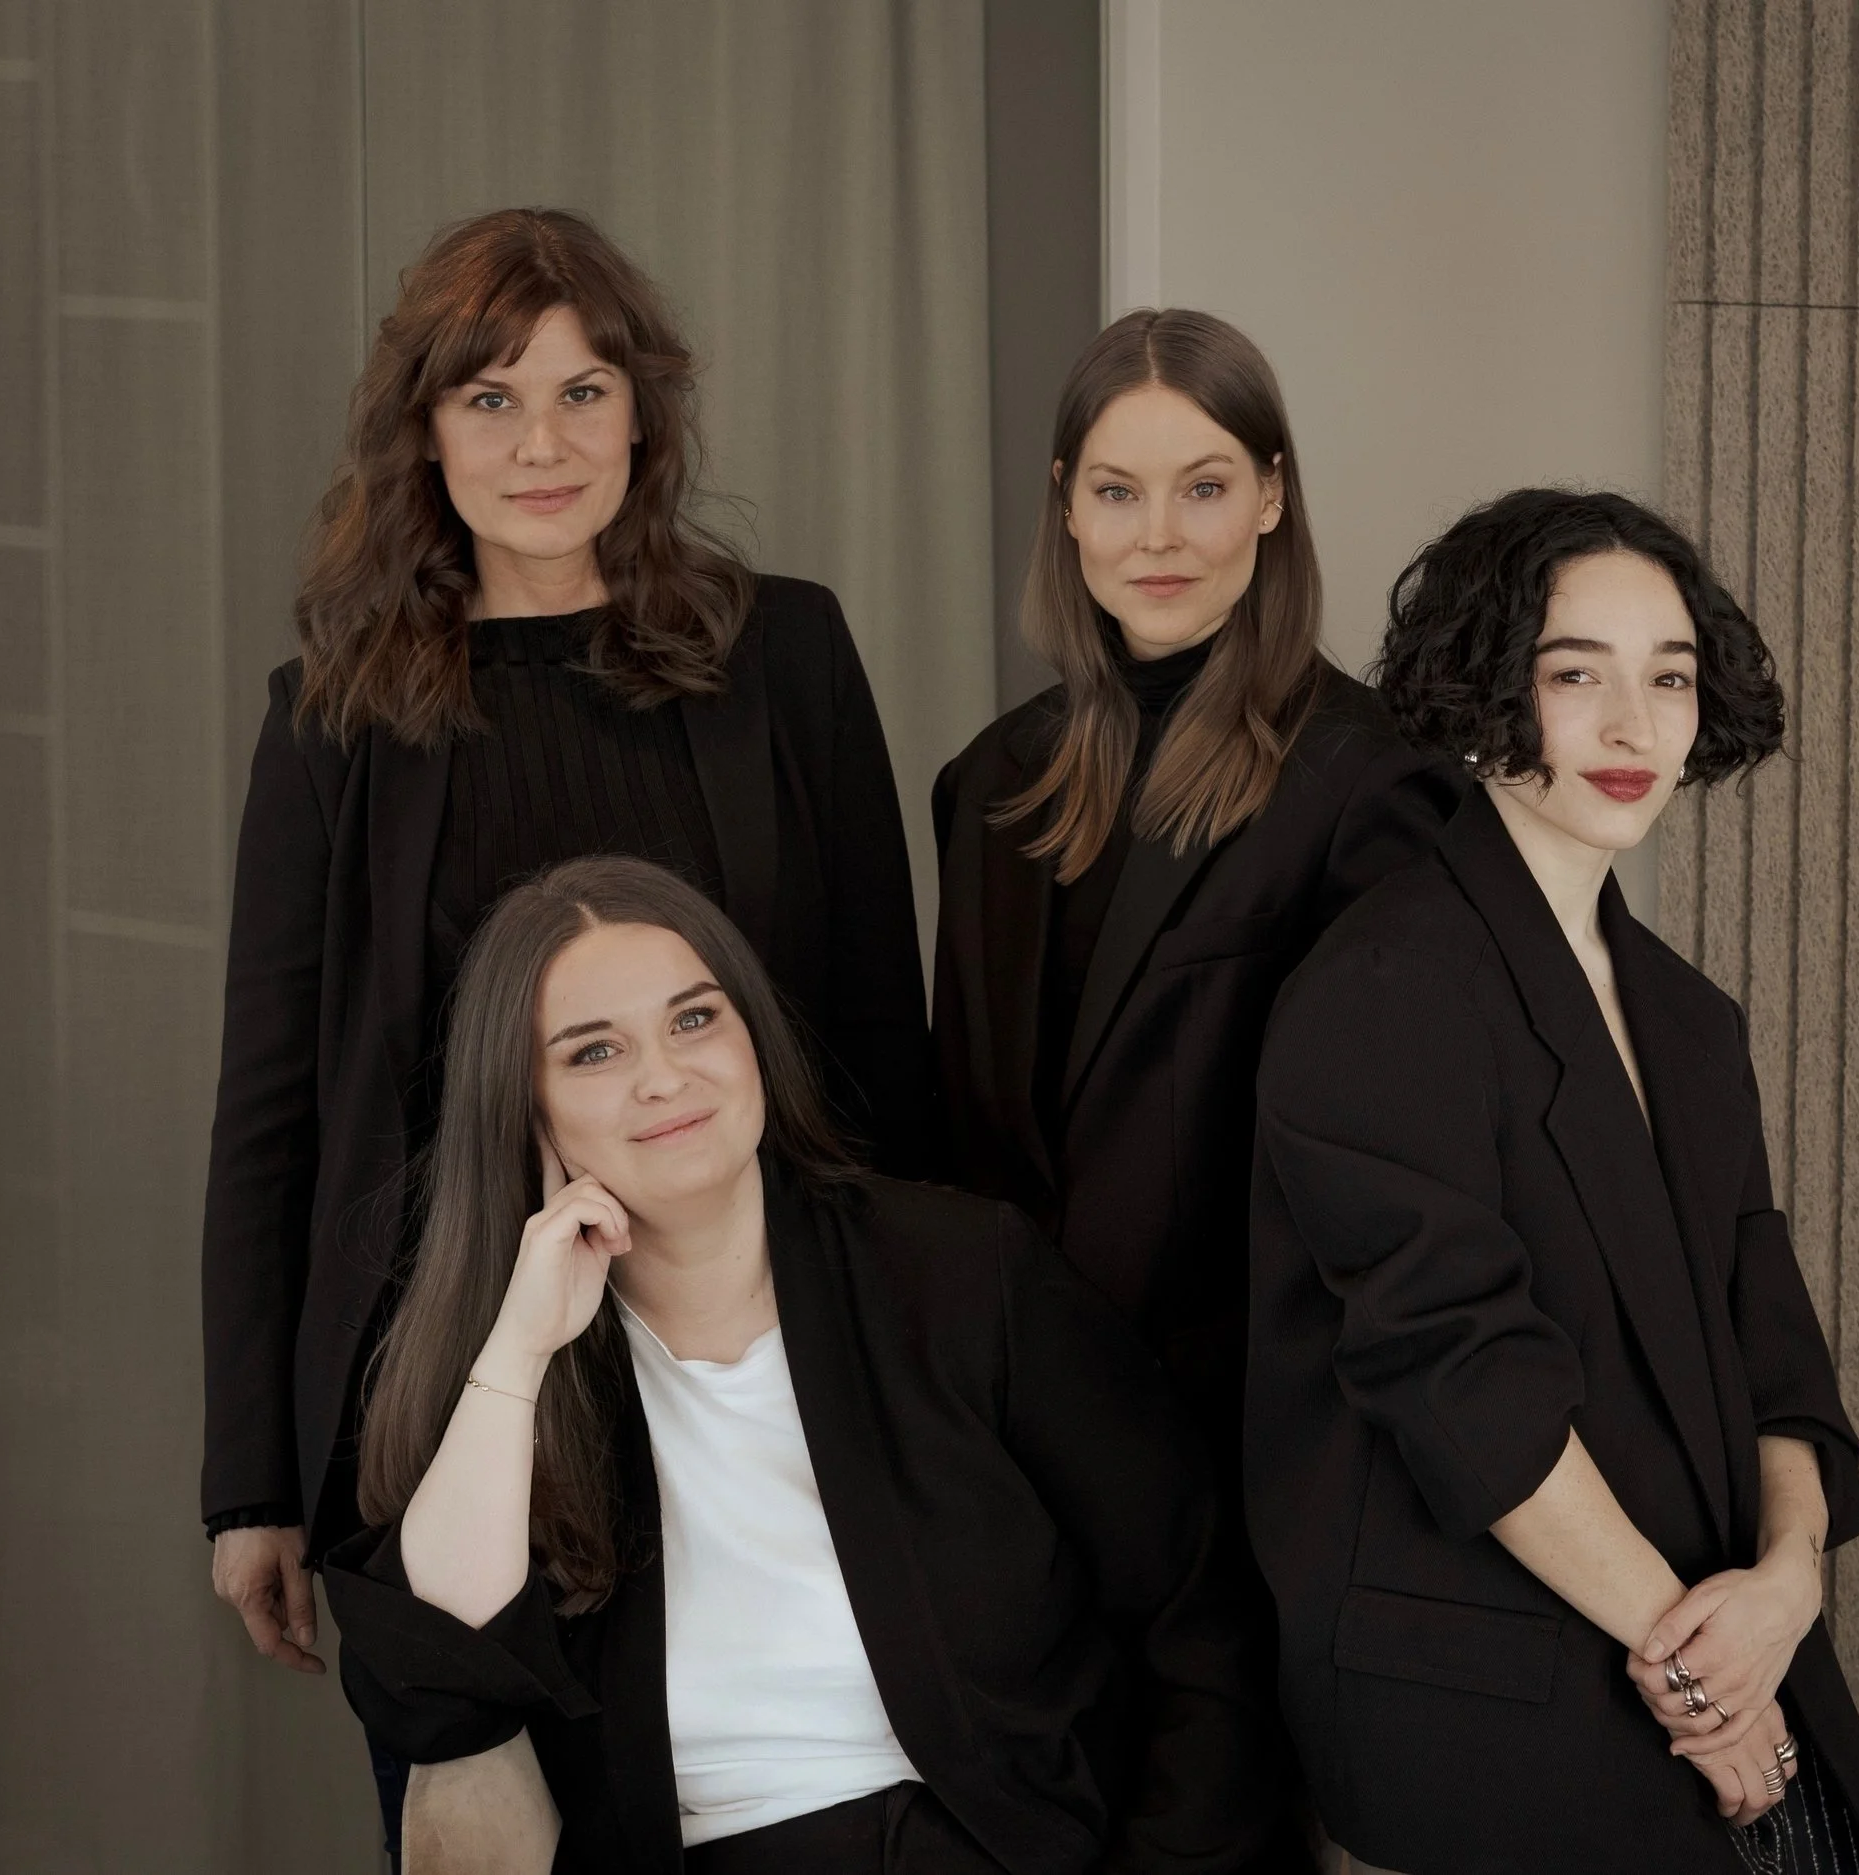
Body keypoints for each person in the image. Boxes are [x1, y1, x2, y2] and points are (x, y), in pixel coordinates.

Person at [200, 209, 932, 1845]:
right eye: (492, 398)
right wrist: (252, 1478)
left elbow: (879, 1040)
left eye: (584, 392)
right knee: (495, 1828)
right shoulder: (334, 713)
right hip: (444, 1388)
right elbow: (272, 1111)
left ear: (643, 414)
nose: (543, 444)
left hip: (757, 1373)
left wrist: (924, 1384)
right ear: (424, 431)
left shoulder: (785, 654)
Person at [327, 856, 1276, 1873]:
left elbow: (1194, 1613)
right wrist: (520, 1349)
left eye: (695, 1019)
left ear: (753, 1036)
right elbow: (441, 1693)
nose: (664, 1077)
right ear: (526, 1110)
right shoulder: (511, 1375)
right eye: (594, 1051)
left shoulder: (962, 1278)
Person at [1244, 489, 1859, 1874]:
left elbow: (1776, 1353)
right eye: (1575, 674)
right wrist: (1701, 1672)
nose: (1632, 727)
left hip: (1712, 1631)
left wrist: (1787, 1587)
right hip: (1492, 1673)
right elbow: (1460, 1379)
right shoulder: (1384, 985)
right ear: (1486, 688)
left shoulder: (1688, 1018)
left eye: (1669, 677)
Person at [929, 309, 1459, 1469]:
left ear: (1271, 495)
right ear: (1067, 504)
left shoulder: (1373, 787)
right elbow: (967, 1138)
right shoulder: (987, 783)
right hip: (1014, 1432)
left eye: (1204, 488)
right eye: (1117, 492)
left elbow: (1389, 1178)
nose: (1157, 537)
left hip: (1239, 1441)